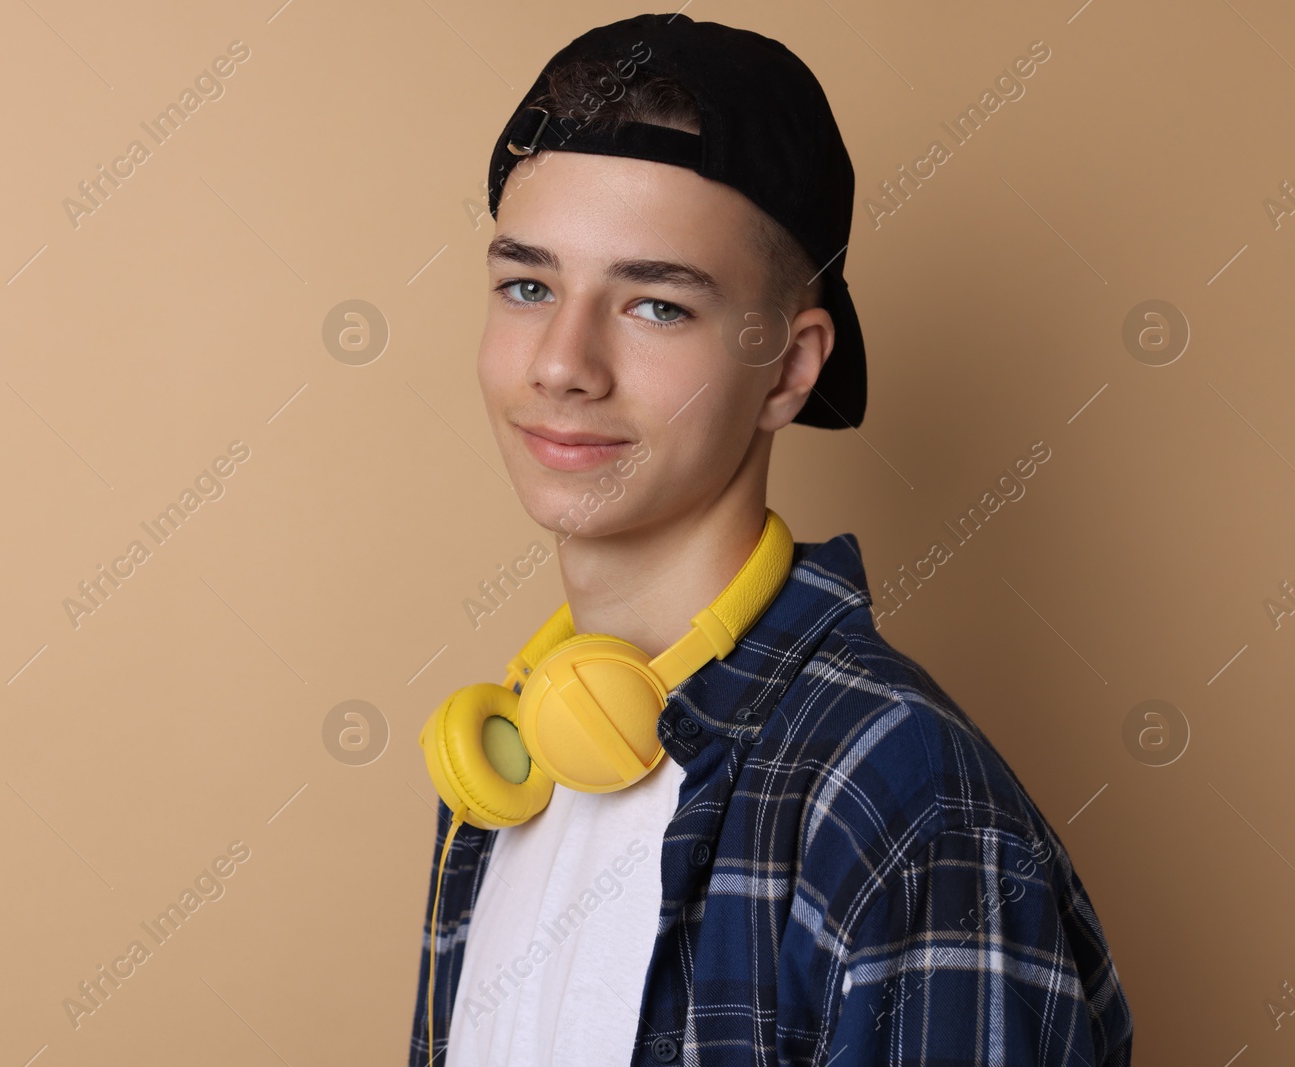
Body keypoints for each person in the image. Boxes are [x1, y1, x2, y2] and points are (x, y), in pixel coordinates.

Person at [410, 13, 1133, 1066]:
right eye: (529, 286)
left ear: (790, 369)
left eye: (656, 305)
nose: (562, 363)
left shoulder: (900, 798)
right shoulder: (506, 768)